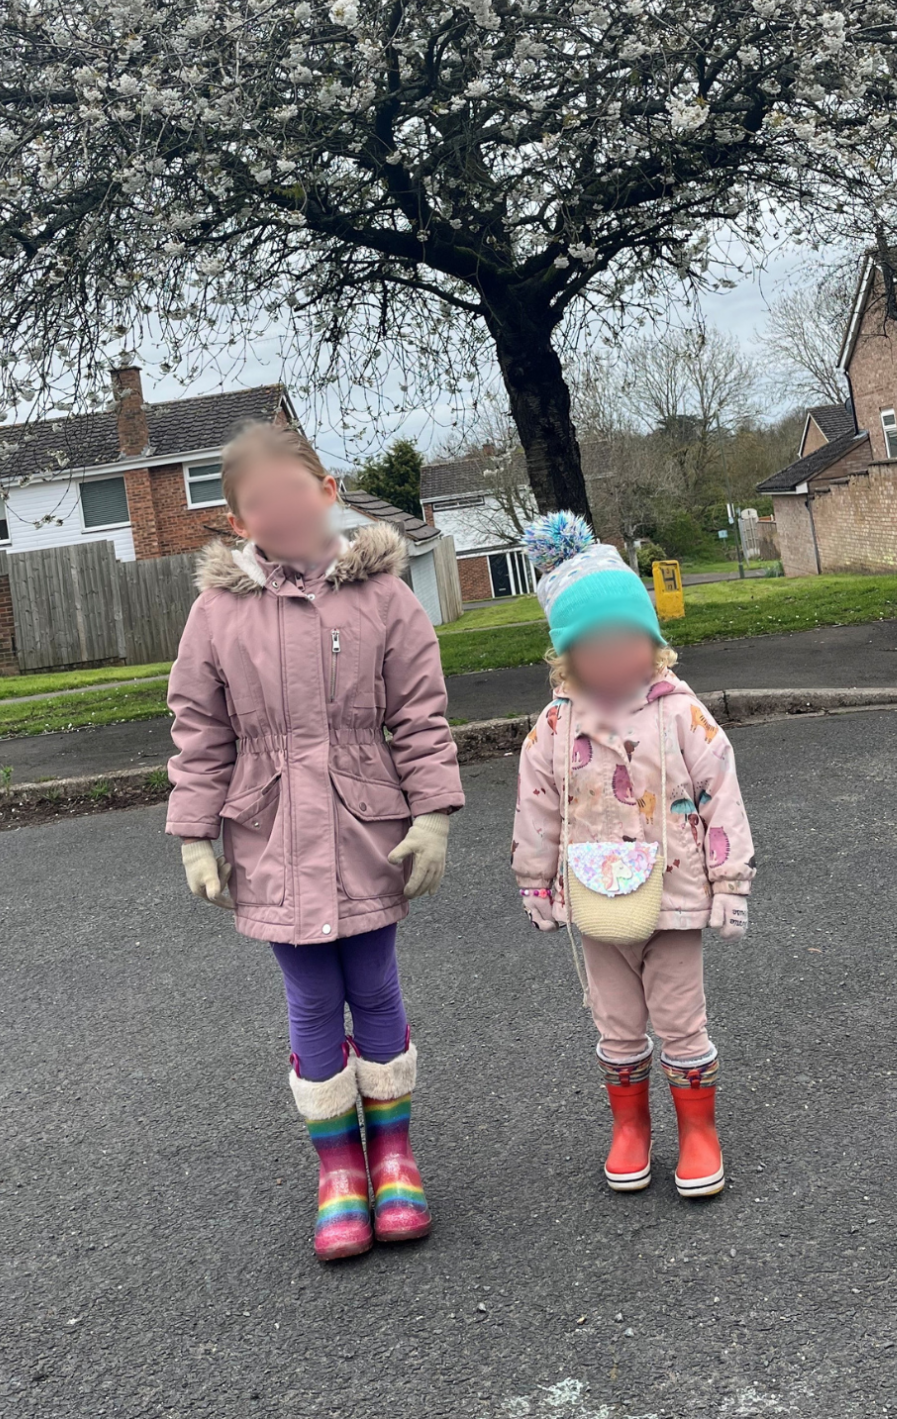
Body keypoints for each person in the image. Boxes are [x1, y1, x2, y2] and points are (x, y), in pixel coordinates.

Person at [166, 421, 463, 1260]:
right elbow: (199, 728)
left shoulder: (384, 598)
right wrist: (195, 835)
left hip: (368, 830)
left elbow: (419, 714)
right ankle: (338, 1170)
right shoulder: (217, 612)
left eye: (294, 493)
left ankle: (394, 1158)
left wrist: (432, 816)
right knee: (307, 998)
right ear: (237, 521)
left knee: (373, 986)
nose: (281, 512)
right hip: (270, 841)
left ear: (329, 492)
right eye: (258, 503)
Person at [512, 513, 754, 1199]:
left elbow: (720, 792)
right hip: (597, 900)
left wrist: (730, 881)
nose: (616, 656)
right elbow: (536, 805)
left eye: (629, 639)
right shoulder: (555, 727)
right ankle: (630, 1128)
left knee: (681, 1019)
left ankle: (698, 1131)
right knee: (615, 1024)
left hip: (674, 901)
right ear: (567, 655)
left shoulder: (680, 714)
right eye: (596, 645)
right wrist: (535, 881)